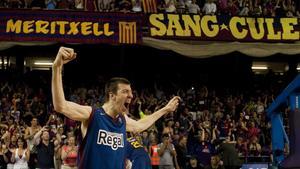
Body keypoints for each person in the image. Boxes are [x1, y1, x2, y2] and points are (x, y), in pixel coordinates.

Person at [51, 47, 180, 169]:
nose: (130, 95)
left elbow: (139, 125)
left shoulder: (122, 120)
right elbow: (60, 105)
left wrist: (166, 109)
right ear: (112, 95)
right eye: (125, 91)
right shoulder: (92, 114)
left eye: (130, 91)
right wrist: (57, 67)